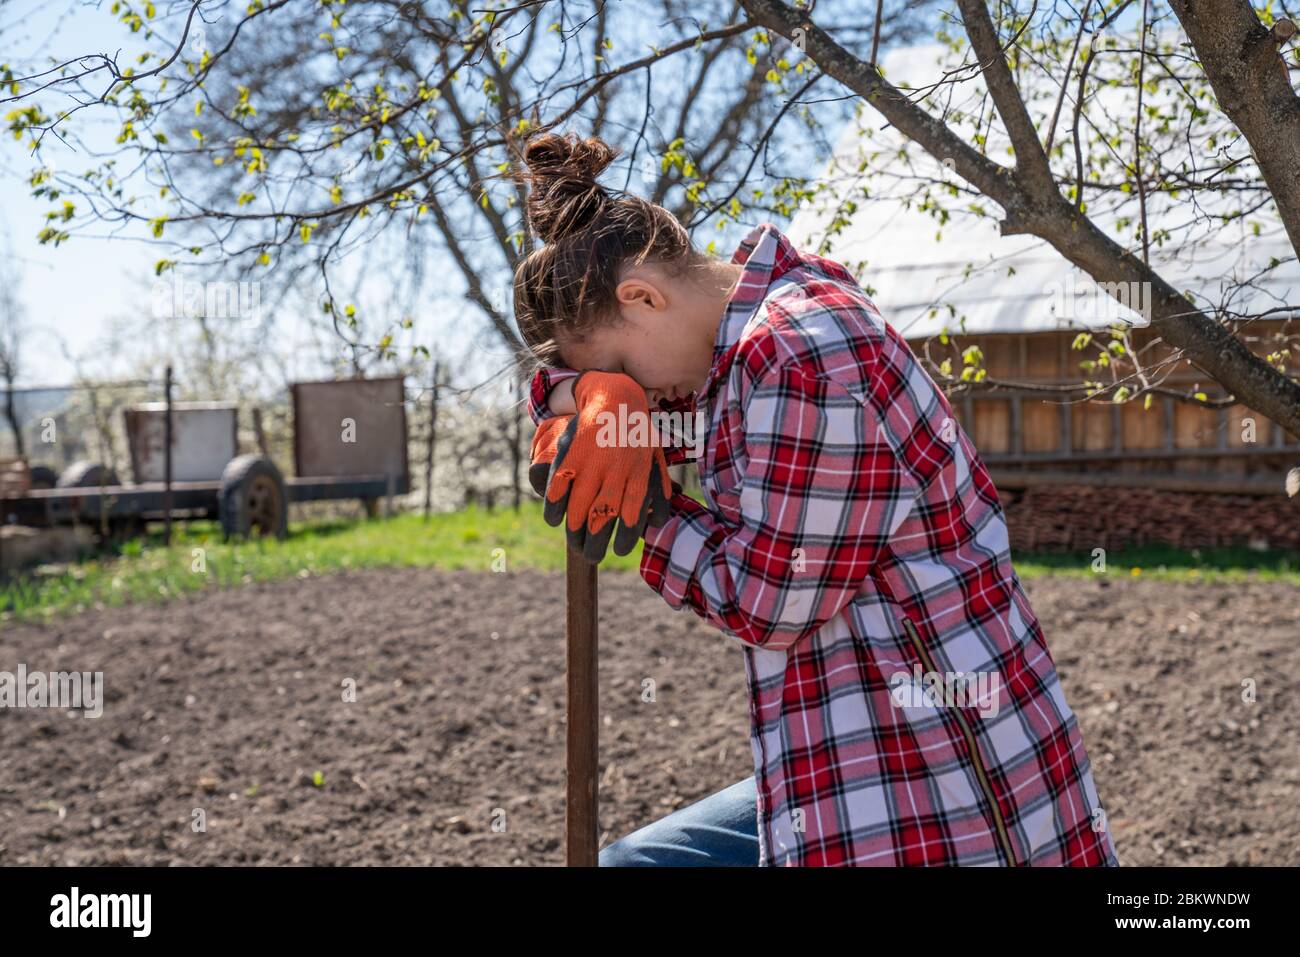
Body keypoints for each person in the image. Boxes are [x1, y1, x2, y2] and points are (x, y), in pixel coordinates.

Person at [513, 130, 1121, 867]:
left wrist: (651, 508)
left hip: (946, 779)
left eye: (620, 370)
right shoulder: (732, 360)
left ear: (641, 296)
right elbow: (576, 402)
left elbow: (769, 600)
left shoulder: (801, 352)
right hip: (841, 742)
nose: (641, 398)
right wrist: (588, 393)